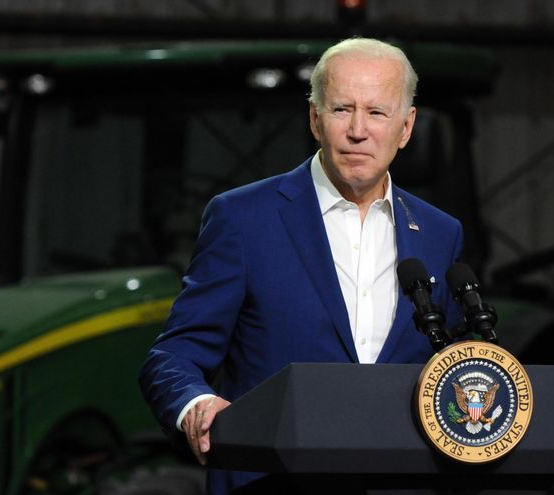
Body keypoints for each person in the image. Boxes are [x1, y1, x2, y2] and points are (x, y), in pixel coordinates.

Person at [139, 37, 463, 494]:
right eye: (340, 109)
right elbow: (172, 356)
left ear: (405, 127)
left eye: (376, 112)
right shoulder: (243, 218)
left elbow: (454, 366)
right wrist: (196, 403)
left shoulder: (439, 232)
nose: (357, 129)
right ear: (314, 118)